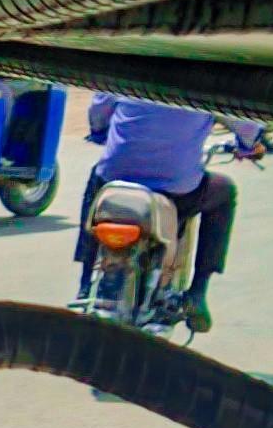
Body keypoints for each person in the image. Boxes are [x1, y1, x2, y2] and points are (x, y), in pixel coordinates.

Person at [74, 94, 238, 330]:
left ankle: (84, 280)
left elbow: (99, 108)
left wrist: (100, 130)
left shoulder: (129, 66)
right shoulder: (210, 79)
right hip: (177, 191)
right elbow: (247, 124)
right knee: (224, 192)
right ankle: (197, 292)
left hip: (115, 178)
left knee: (96, 179)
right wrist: (250, 145)